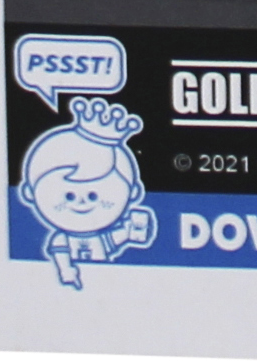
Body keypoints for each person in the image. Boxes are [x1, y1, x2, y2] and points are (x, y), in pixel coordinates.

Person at [18, 98, 155, 289]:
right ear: (29, 193)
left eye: (92, 196)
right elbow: (61, 256)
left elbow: (121, 237)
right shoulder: (61, 239)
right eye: (69, 196)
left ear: (133, 192)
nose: (82, 202)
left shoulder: (102, 239)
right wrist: (66, 272)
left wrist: (133, 230)